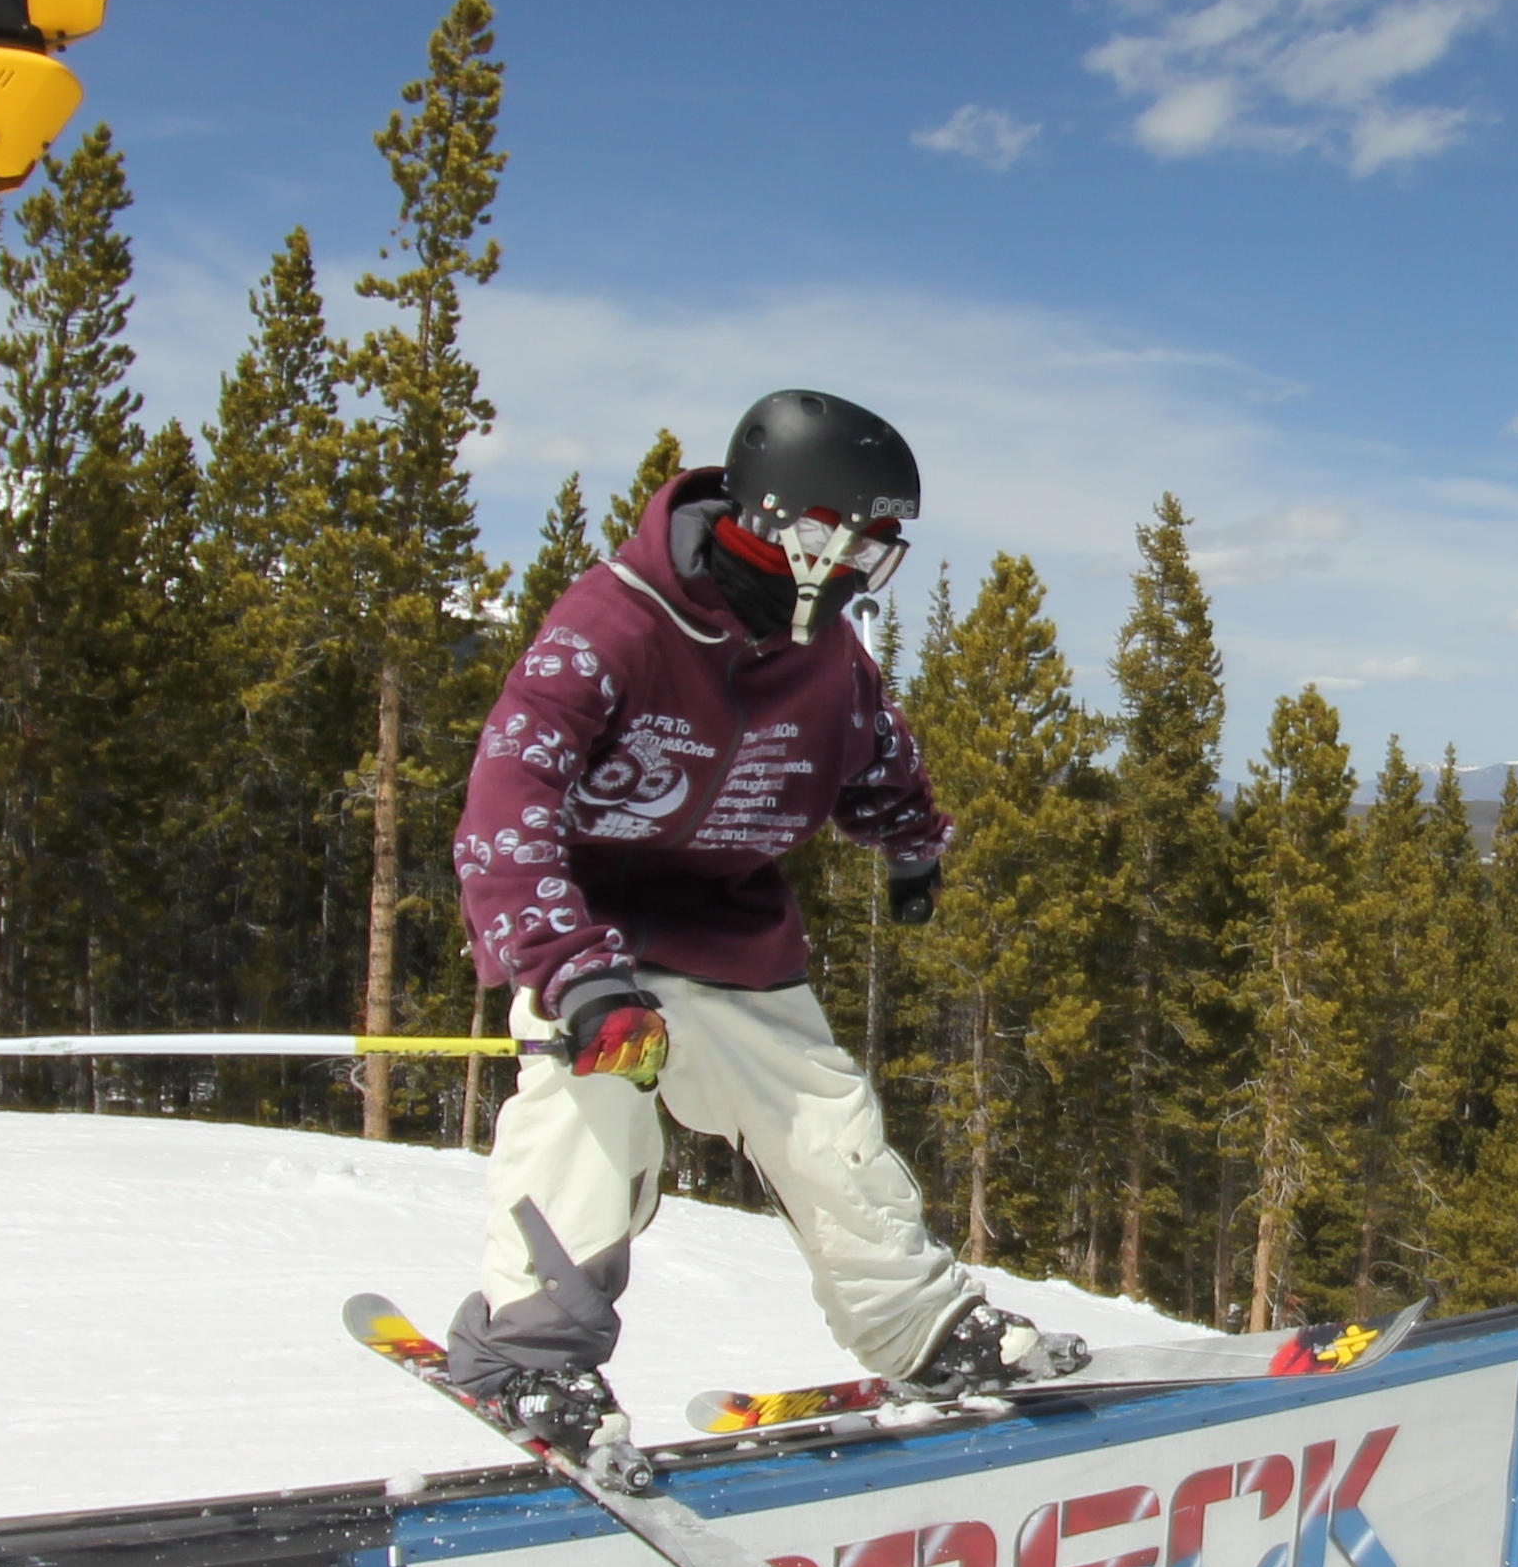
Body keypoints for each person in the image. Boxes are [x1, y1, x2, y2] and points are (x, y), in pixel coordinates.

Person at [435, 388, 1088, 1447]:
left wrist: (911, 840)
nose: (858, 567)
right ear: (778, 519)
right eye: (846, 538)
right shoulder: (610, 626)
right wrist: (570, 968)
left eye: (877, 548)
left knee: (825, 1123)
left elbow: (872, 744)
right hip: (594, 934)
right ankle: (529, 1353)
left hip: (731, 928)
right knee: (592, 1109)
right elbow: (507, 805)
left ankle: (921, 1330)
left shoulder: (820, 644)